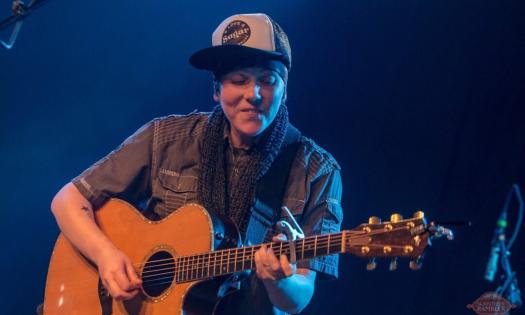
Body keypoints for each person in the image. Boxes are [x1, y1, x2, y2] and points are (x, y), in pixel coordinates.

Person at [50, 13, 343, 315]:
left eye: (267, 80)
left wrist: (280, 281)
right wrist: (106, 256)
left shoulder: (316, 169)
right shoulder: (167, 138)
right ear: (216, 90)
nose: (252, 94)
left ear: (284, 91)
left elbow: (297, 299)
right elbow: (67, 201)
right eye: (238, 80)